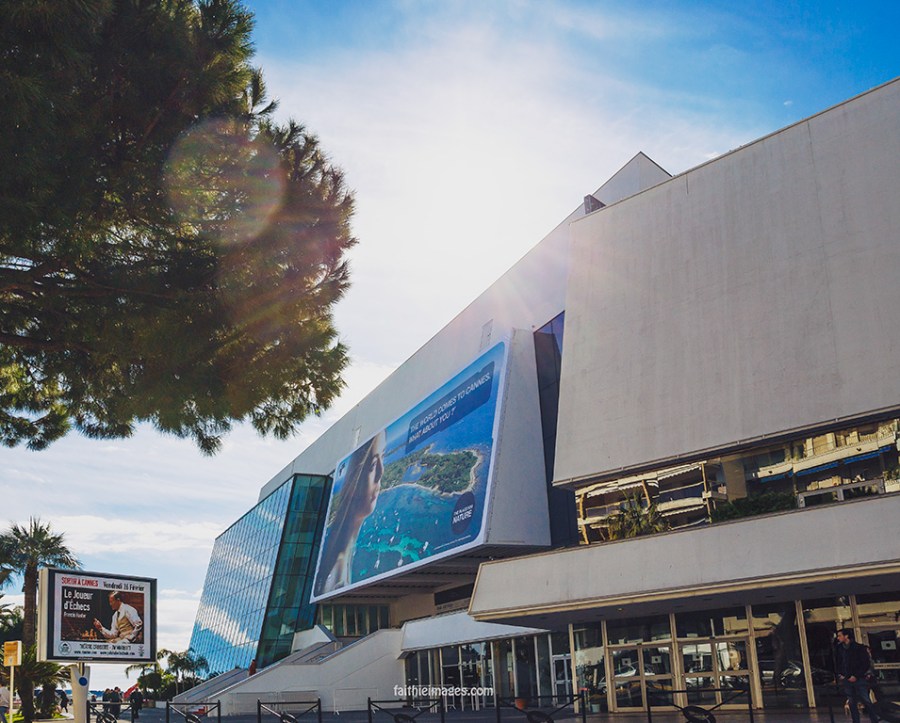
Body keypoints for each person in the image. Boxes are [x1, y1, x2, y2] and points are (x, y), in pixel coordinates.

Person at [315, 431, 386, 594]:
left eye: (384, 456)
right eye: (373, 465)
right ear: (353, 483)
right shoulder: (338, 575)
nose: (381, 473)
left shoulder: (342, 561)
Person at [835, 628, 879, 723]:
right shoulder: (839, 649)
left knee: (865, 699)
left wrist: (856, 675)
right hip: (847, 677)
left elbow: (864, 663)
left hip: (858, 677)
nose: (838, 638)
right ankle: (856, 720)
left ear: (846, 636)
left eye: (840, 635)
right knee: (852, 701)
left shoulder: (859, 648)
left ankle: (874, 719)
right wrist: (842, 674)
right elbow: (838, 663)